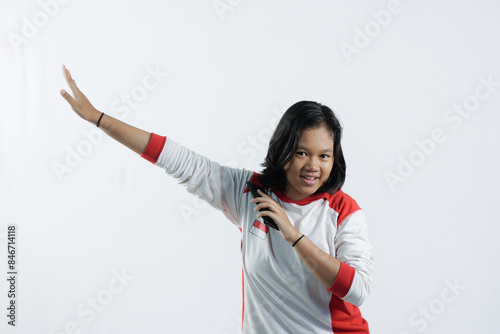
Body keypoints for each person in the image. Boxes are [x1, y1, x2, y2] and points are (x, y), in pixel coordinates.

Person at [60, 64, 374, 333]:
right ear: (283, 151)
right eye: (302, 152)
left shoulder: (343, 211)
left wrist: (293, 235)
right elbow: (177, 159)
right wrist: (100, 119)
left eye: (324, 156)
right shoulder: (250, 193)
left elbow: (358, 290)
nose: (313, 166)